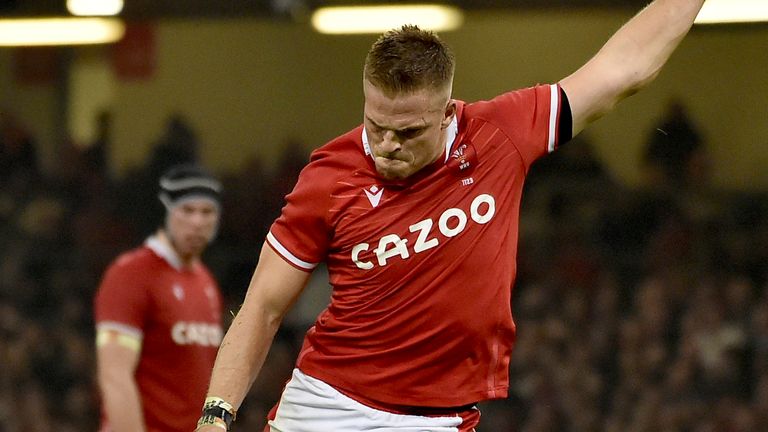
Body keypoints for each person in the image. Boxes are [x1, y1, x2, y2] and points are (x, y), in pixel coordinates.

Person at [195, 1, 706, 431]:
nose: (387, 146)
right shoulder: (329, 177)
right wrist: (215, 415)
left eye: (409, 132)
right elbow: (263, 304)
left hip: (440, 419)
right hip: (328, 406)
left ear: (447, 114)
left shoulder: (499, 135)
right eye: (376, 125)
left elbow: (626, 69)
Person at [95, 164, 225, 432]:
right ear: (166, 212)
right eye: (187, 210)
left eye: (207, 212)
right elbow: (115, 376)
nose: (198, 222)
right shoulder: (130, 273)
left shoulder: (206, 282)